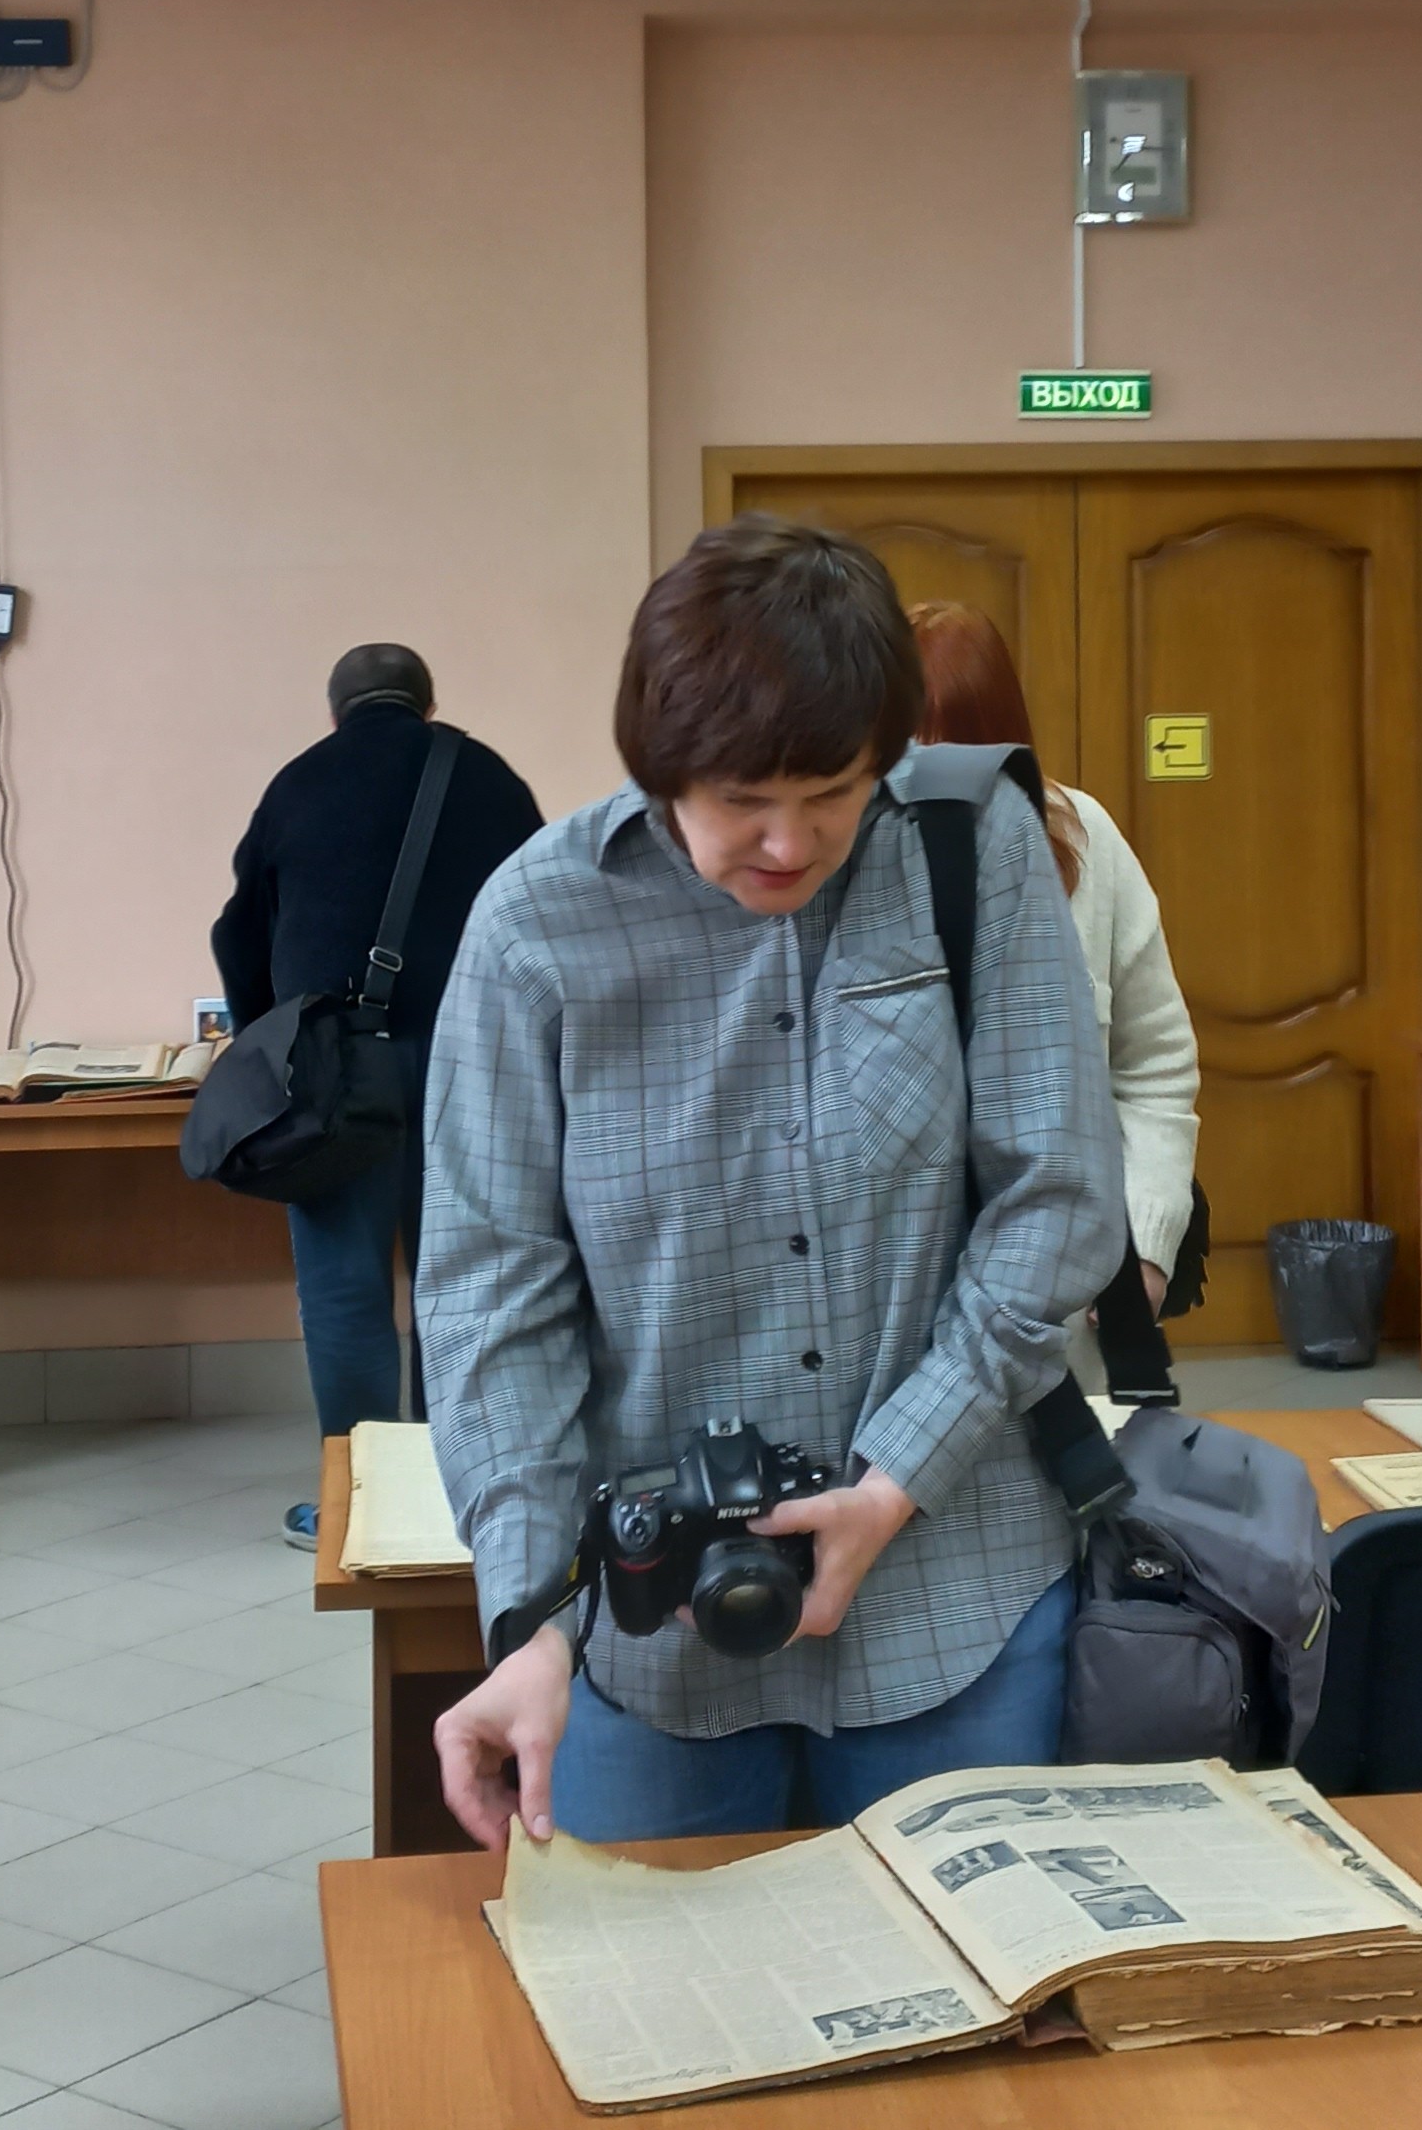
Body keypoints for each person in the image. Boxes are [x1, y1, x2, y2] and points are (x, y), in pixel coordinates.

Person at [419, 517, 1122, 1849]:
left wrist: (896, 1476)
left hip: (955, 1593)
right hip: (653, 1636)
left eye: (834, 793)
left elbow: (1060, 1195)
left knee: (964, 1983)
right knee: (660, 1976)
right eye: (743, 798)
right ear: (661, 765)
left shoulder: (973, 849)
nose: (790, 844)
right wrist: (528, 1617)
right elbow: (489, 1294)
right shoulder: (536, 926)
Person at [210, 643, 540, 1552]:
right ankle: (458, 1502)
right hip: (474, 1067)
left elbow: (238, 934)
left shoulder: (297, 785)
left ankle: (355, 1510)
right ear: (427, 707)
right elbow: (542, 913)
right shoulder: (487, 778)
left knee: (344, 1292)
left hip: (334, 1073)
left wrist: (268, 1040)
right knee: (462, 1287)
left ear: (335, 713)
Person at [904, 602, 1199, 1396]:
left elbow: (1155, 1063)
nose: (926, 775)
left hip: (1060, 1307)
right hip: (897, 1310)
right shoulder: (839, 861)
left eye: (946, 746)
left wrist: (1145, 1246)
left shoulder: (1085, 838)